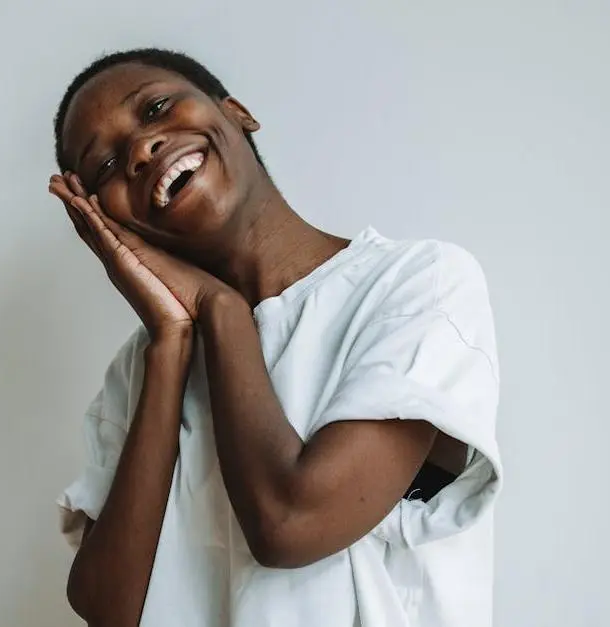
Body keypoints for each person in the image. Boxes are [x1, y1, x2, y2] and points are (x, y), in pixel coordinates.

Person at [49, 48, 500, 627]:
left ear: (237, 113)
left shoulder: (414, 284)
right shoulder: (138, 371)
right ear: (101, 218)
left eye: (157, 107)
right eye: (105, 167)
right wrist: (171, 344)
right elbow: (110, 611)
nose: (139, 150)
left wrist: (224, 309)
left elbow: (290, 525)